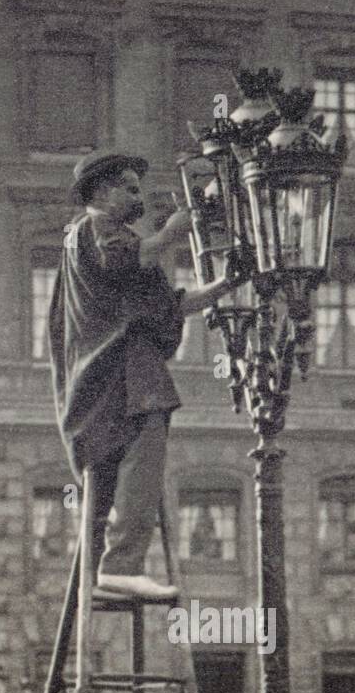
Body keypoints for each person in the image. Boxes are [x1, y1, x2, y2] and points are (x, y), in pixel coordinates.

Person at [48, 149, 245, 600]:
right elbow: (140, 255)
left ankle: (103, 570)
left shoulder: (118, 242)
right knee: (145, 454)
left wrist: (225, 286)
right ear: (101, 192)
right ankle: (119, 566)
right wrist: (181, 226)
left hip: (119, 376)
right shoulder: (94, 229)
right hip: (120, 375)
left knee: (120, 475)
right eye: (130, 189)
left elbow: (172, 305)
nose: (139, 198)